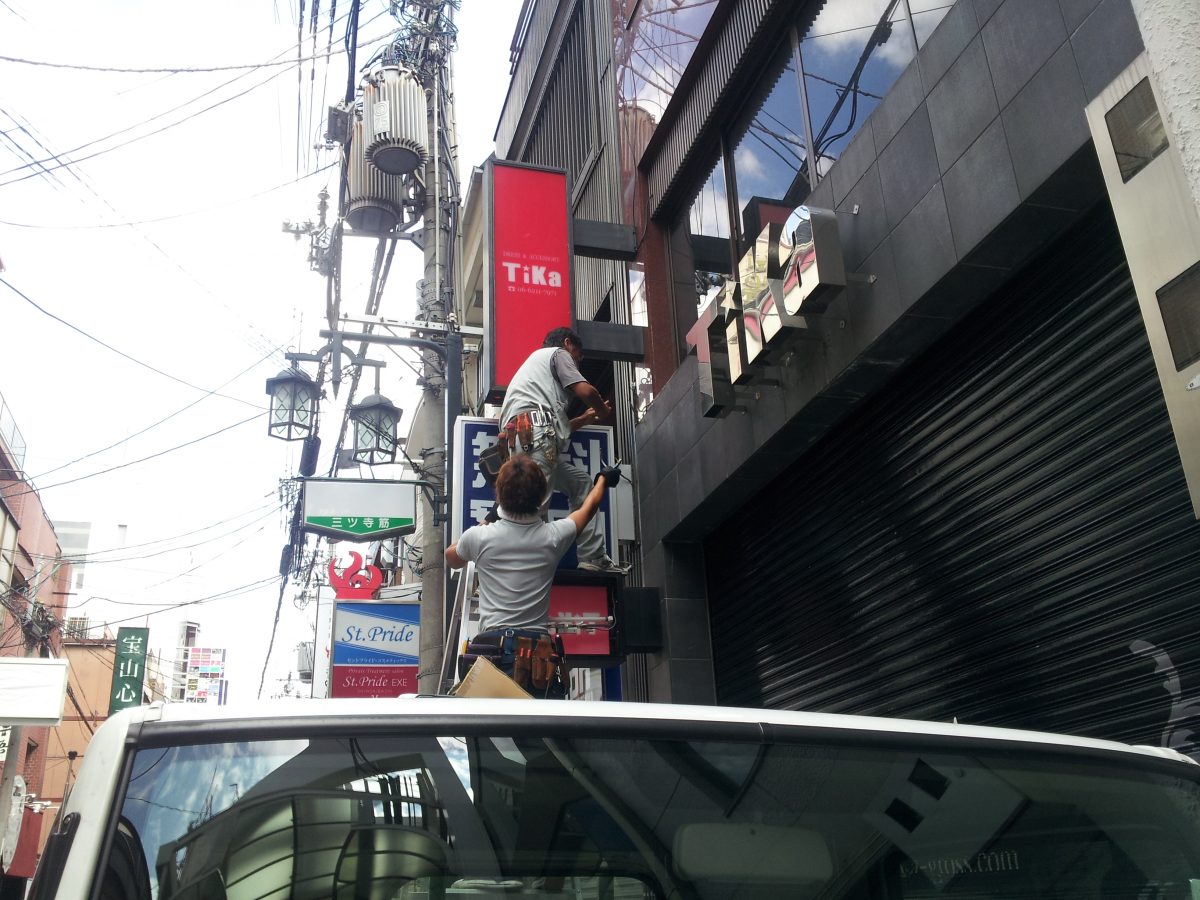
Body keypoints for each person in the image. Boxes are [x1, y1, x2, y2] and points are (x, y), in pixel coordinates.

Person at [447, 454, 622, 698]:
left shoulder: (478, 538)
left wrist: (486, 521)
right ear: (542, 497)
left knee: (491, 721)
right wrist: (603, 479)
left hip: (492, 651)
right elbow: (589, 506)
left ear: (499, 495)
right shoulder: (554, 536)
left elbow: (451, 557)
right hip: (538, 657)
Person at [497, 326, 628, 573]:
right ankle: (522, 568)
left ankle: (593, 557)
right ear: (568, 343)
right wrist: (602, 411)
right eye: (578, 356)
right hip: (536, 436)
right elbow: (586, 391)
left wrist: (584, 420)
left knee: (581, 483)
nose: (576, 363)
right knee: (536, 507)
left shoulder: (534, 375)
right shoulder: (558, 353)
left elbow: (553, 425)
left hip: (526, 437)